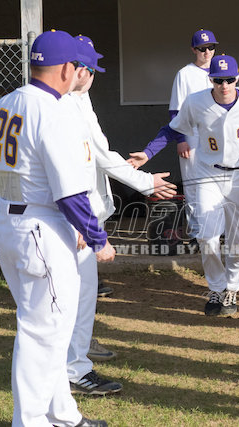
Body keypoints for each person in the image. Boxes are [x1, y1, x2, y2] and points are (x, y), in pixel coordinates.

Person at [0, 29, 112, 427]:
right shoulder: (54, 112)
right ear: (67, 69)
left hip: (10, 219)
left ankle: (63, 414)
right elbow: (70, 193)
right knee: (43, 332)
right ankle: (32, 420)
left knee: (49, 327)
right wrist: (97, 237)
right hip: (42, 227)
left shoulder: (5, 102)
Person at [65, 35, 176, 397]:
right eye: (90, 69)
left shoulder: (74, 99)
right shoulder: (64, 105)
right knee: (78, 292)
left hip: (70, 209)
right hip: (70, 211)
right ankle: (74, 367)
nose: (93, 76)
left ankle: (75, 351)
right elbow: (101, 155)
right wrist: (144, 182)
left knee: (76, 292)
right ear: (77, 69)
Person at [136, 54, 239, 316]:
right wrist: (147, 154)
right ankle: (216, 287)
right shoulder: (196, 101)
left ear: (238, 78)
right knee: (206, 235)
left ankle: (231, 289)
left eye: (229, 79)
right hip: (207, 173)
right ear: (210, 80)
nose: (224, 85)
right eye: (218, 80)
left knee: (237, 238)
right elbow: (172, 129)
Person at [129, 30, 219, 252]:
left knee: (218, 185)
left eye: (211, 47)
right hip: (192, 135)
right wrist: (181, 139)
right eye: (202, 48)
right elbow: (175, 111)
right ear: (193, 50)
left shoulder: (221, 72)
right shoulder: (185, 74)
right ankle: (197, 236)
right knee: (194, 187)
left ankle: (216, 233)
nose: (207, 52)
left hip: (217, 137)